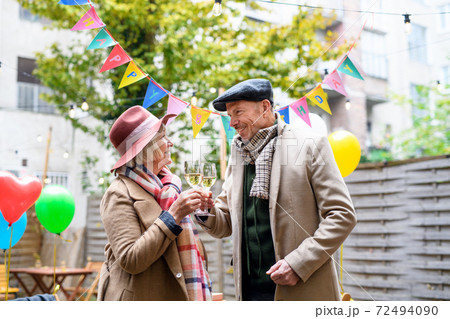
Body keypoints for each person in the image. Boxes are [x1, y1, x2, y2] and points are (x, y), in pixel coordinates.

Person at [197, 79, 357, 301]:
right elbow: (224, 223)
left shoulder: (310, 144)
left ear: (264, 107)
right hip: (249, 293)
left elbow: (342, 215)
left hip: (302, 290)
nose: (232, 122)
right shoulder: (239, 153)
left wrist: (298, 263)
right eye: (229, 115)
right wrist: (204, 210)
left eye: (238, 112)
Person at [97, 105, 214, 301]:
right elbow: (131, 259)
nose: (171, 143)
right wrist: (173, 215)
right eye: (163, 138)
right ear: (146, 149)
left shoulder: (168, 188)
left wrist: (202, 210)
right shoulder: (117, 193)